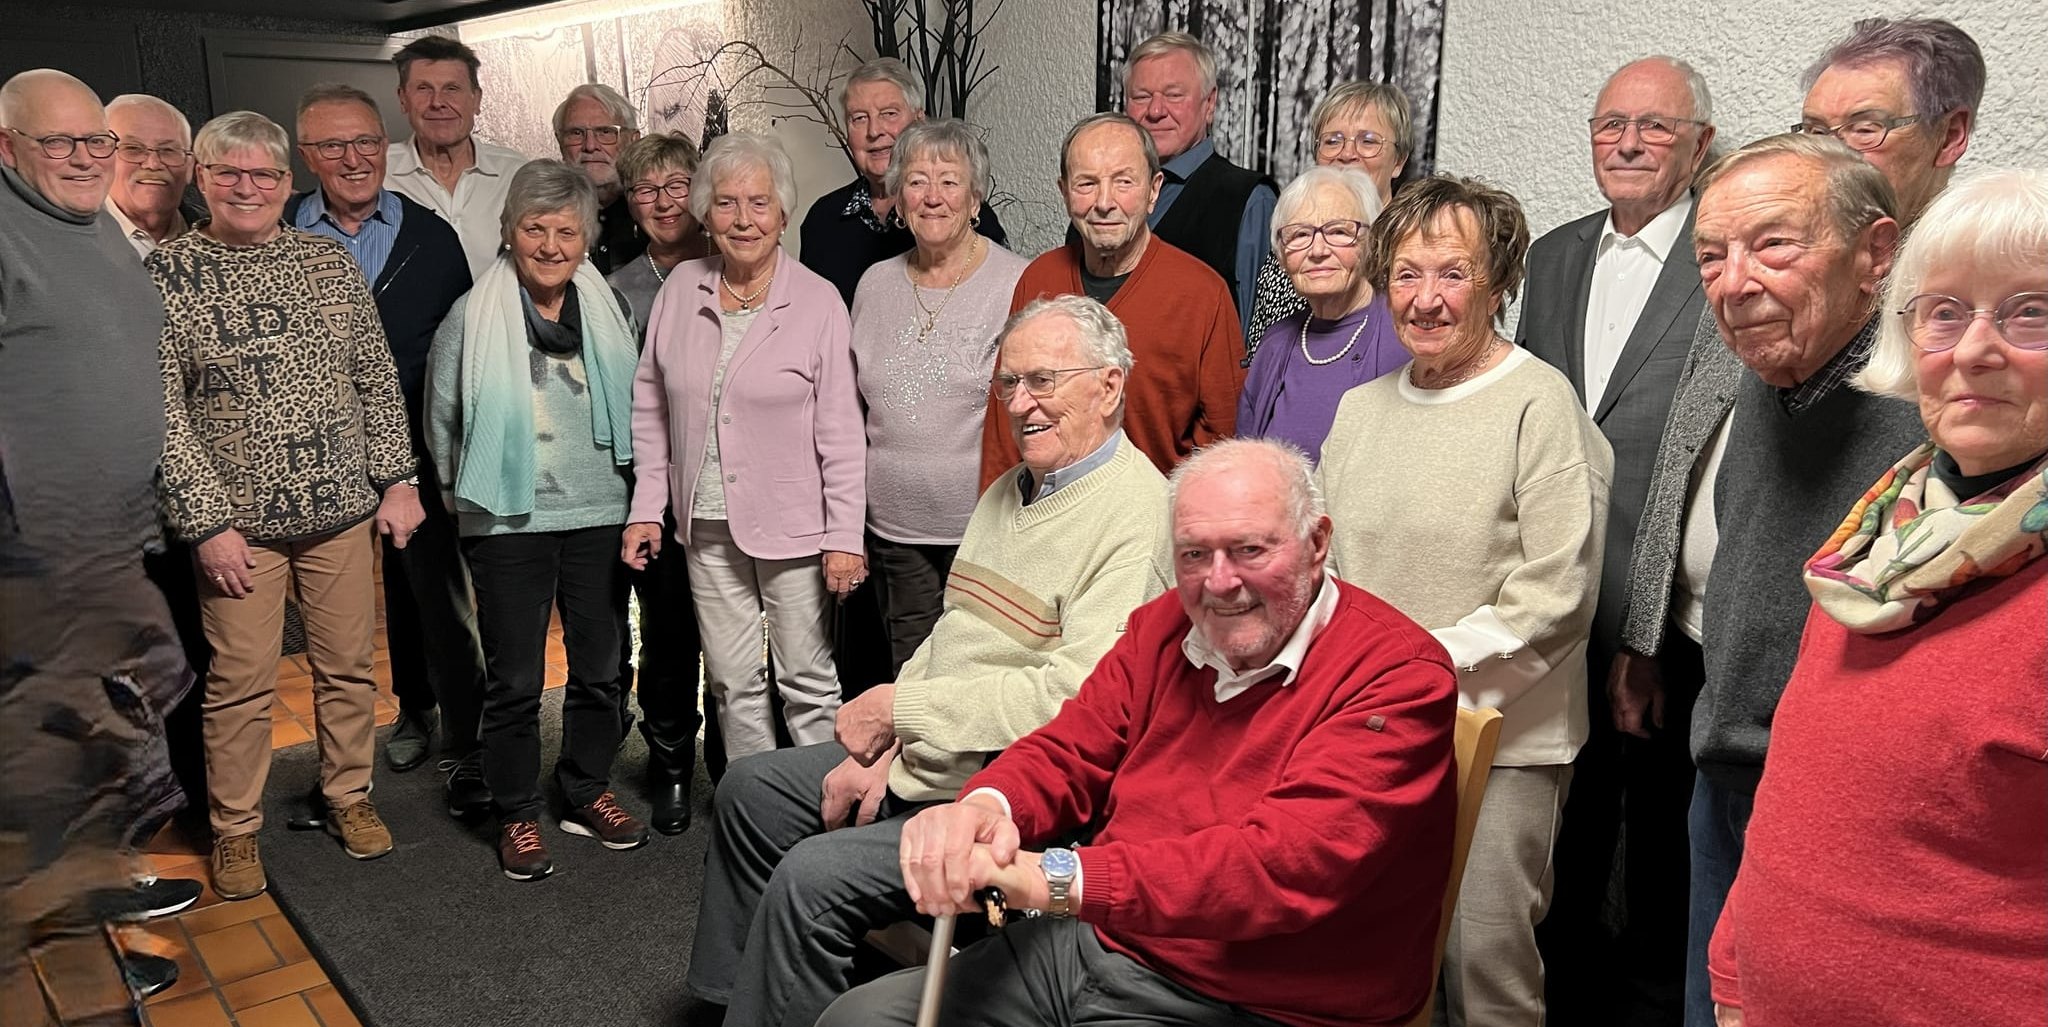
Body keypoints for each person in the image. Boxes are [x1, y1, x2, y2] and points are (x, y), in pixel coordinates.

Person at [818, 436, 1460, 1027]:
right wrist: (986, 807)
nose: (1220, 583)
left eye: (1249, 550)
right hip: (1104, 940)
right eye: (1194, 554)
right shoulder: (1163, 624)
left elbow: (1275, 869)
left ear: (1317, 543)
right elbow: (1072, 746)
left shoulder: (1398, 677)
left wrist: (1053, 879)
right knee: (857, 1019)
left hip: (1265, 999)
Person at [683, 295, 1172, 1027]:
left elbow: (1073, 701)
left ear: (1109, 386)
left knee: (811, 878)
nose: (1020, 404)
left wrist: (902, 713)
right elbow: (950, 636)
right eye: (1008, 384)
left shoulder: (1139, 516)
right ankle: (737, 1005)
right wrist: (890, 748)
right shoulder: (1009, 490)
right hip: (931, 755)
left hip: (1007, 795)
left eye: (1043, 380)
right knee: (750, 789)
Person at [1708, 167, 2048, 1027]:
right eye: (1945, 313)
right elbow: (1804, 788)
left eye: (2030, 313)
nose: (1973, 350)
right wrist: (1735, 972)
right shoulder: (1878, 540)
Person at [1619, 133, 1925, 1027]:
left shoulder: (1933, 406)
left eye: (1773, 245)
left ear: (1875, 253)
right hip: (1724, 773)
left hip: (1842, 811)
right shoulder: (1764, 364)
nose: (1734, 282)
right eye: (1711, 256)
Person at [1318, 174, 1613, 1026]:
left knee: (1482, 965)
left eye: (1452, 273)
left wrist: (1413, 669)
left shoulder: (1539, 402)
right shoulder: (1358, 409)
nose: (1426, 299)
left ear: (1499, 282)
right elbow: (1327, 566)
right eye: (1406, 274)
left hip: (1504, 737)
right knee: (1375, 955)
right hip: (1374, 733)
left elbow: (1558, 591)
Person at [153, 110, 418, 900]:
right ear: (200, 177)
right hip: (238, 530)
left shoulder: (327, 263)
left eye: (263, 174)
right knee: (240, 683)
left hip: (340, 510)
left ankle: (349, 794)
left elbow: (375, 376)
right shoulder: (167, 274)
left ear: (285, 181)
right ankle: (235, 828)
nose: (247, 187)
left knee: (348, 668)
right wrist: (205, 523)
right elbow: (160, 413)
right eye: (229, 172)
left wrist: (397, 479)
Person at [1517, 56, 1715, 1026]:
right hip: (1555, 593)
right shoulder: (1552, 255)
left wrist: (1647, 629)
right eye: (1609, 126)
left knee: (1663, 835)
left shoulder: (1721, 258)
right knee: (1564, 818)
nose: (1628, 144)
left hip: (1666, 608)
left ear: (1699, 146)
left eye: (1654, 127)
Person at [0, 67, 194, 1015]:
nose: (85, 158)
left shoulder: (94, 225)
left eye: (96, 141)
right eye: (59, 142)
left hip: (109, 541)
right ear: (7, 147)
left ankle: (102, 893)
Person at [425, 159, 648, 880]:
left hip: (600, 512)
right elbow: (442, 421)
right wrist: (463, 504)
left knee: (602, 669)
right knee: (516, 679)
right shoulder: (470, 315)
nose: (551, 245)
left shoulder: (610, 309)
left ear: (587, 238)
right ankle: (515, 809)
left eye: (567, 231)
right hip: (507, 520)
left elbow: (641, 404)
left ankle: (584, 787)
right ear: (509, 231)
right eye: (535, 228)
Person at [623, 133, 865, 766]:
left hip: (794, 525)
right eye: (726, 203)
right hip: (704, 522)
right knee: (732, 683)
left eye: (759, 203)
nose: (743, 219)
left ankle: (820, 802)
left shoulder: (817, 300)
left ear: (782, 213)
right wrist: (647, 507)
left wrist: (845, 537)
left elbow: (842, 429)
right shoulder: (682, 288)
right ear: (706, 213)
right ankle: (754, 802)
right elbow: (651, 404)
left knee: (806, 682)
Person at [283, 83, 486, 808]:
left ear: (384, 145)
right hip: (315, 451)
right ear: (306, 154)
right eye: (333, 145)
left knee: (435, 590)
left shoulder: (431, 236)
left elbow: (462, 343)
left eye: (366, 141)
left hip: (418, 445)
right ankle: (412, 710)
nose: (353, 158)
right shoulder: (279, 231)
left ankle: (465, 731)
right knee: (344, 606)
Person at [979, 112, 1242, 487]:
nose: (1104, 202)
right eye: (1086, 183)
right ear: (1064, 192)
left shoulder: (1203, 293)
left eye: (1124, 182)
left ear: (1153, 190)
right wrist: (996, 513)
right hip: (1049, 511)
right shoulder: (1039, 281)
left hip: (1154, 514)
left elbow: (1223, 440)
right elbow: (1005, 423)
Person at [851, 118, 1028, 670]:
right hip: (893, 530)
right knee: (912, 674)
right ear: (898, 198)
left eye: (950, 182)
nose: (932, 197)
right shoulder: (873, 284)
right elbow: (851, 410)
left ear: (975, 199)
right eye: (917, 181)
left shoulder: (1016, 282)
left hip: (985, 529)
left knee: (981, 673)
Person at [607, 131, 711, 831]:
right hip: (658, 490)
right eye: (647, 189)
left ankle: (736, 764)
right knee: (668, 634)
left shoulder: (738, 264)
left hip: (734, 487)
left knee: (735, 638)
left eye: (678, 185)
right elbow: (628, 402)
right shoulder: (617, 290)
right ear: (630, 202)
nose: (665, 201)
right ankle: (670, 761)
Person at [797, 57, 1005, 306]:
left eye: (889, 114)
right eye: (859, 118)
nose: (874, 131)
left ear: (919, 121)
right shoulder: (822, 219)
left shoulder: (955, 215)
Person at [1235, 166, 1397, 463]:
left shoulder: (1403, 336)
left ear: (1371, 243)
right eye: (1299, 235)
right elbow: (1246, 462)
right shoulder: (1274, 345)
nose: (1318, 250)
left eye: (1338, 231)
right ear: (1282, 255)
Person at [1121, 31, 1275, 335]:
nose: (1155, 111)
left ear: (1209, 103)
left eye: (1174, 95)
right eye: (1141, 96)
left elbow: (1258, 341)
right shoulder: (1097, 201)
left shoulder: (1249, 200)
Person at [1244, 80, 1413, 350]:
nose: (1347, 154)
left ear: (1399, 161)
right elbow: (1261, 352)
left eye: (1368, 141)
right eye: (1332, 141)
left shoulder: (1416, 250)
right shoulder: (1293, 244)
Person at [1798, 17, 1984, 229]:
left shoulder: (1986, 247)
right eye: (1817, 133)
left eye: (1864, 130)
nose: (1828, 158)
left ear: (1949, 137)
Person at [384, 34, 528, 279]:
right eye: (423, 89)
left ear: (476, 100)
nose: (438, 102)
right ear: (403, 99)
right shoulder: (377, 173)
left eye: (452, 89)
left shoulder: (517, 174)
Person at [553, 82, 645, 273]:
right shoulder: (542, 219)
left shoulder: (657, 212)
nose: (590, 146)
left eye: (605, 132)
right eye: (576, 133)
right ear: (560, 142)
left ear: (633, 140)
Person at [105, 93, 197, 257]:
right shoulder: (68, 241)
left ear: (190, 166)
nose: (153, 164)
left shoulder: (221, 239)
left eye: (168, 150)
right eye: (133, 149)